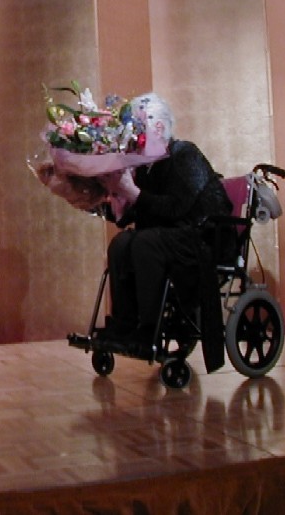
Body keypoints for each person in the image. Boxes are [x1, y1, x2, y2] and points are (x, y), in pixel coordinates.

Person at [100, 93, 233, 371]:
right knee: (122, 243)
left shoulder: (185, 154)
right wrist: (111, 202)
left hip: (200, 237)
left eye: (136, 129)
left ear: (158, 127)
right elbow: (137, 213)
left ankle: (149, 328)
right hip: (168, 236)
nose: (131, 137)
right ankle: (124, 324)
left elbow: (176, 208)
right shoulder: (148, 167)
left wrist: (133, 193)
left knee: (145, 243)